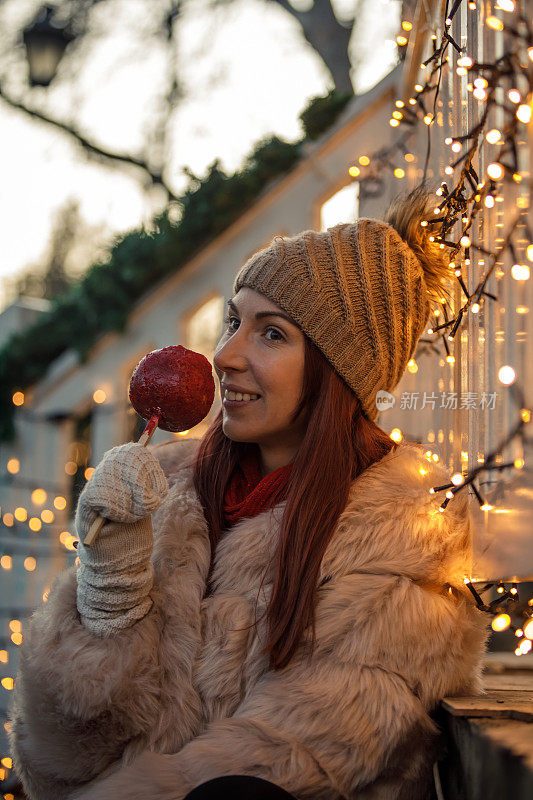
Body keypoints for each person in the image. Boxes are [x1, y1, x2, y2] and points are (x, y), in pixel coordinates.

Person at [8, 185, 490, 800]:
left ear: (338, 371)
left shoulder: (400, 542)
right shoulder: (164, 496)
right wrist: (110, 597)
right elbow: (55, 762)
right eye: (235, 321)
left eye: (272, 335)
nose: (226, 354)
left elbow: (299, 755)